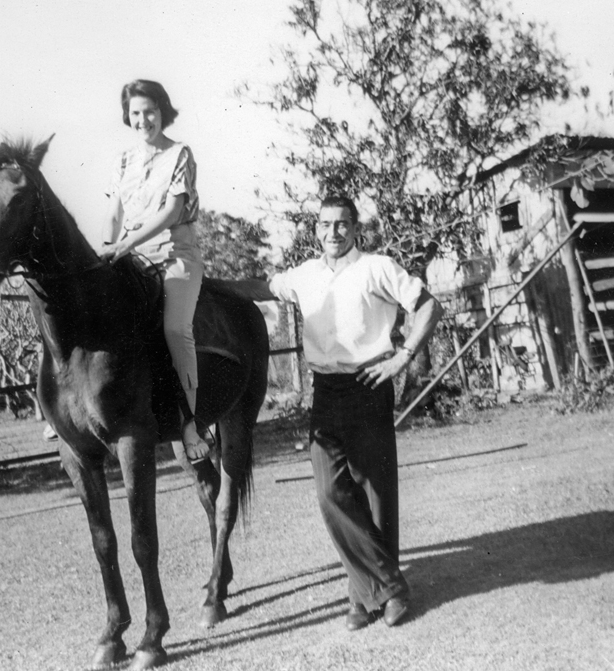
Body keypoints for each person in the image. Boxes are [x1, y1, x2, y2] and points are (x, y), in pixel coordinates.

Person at [224, 195, 444, 630]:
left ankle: (363, 599)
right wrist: (204, 284)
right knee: (330, 495)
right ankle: (388, 587)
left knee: (375, 493)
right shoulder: (305, 275)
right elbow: (259, 288)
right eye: (325, 224)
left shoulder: (377, 267)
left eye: (342, 224)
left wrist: (402, 358)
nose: (333, 232)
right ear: (315, 229)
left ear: (355, 227)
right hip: (326, 390)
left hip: (369, 384)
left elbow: (428, 306)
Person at [95, 79, 209, 463]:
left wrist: (125, 244)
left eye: (150, 111)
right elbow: (114, 213)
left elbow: (173, 212)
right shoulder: (123, 160)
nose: (143, 119)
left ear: (163, 111)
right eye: (136, 113)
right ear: (127, 117)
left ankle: (190, 423)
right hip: (133, 259)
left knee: (176, 330)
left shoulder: (180, 154)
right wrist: (107, 249)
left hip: (175, 256)